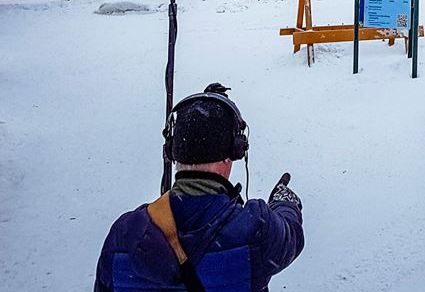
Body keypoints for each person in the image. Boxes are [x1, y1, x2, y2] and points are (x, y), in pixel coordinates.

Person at [95, 83, 304, 292]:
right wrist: (285, 202)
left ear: (172, 150)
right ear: (235, 150)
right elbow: (291, 234)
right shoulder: (257, 229)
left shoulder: (122, 235)